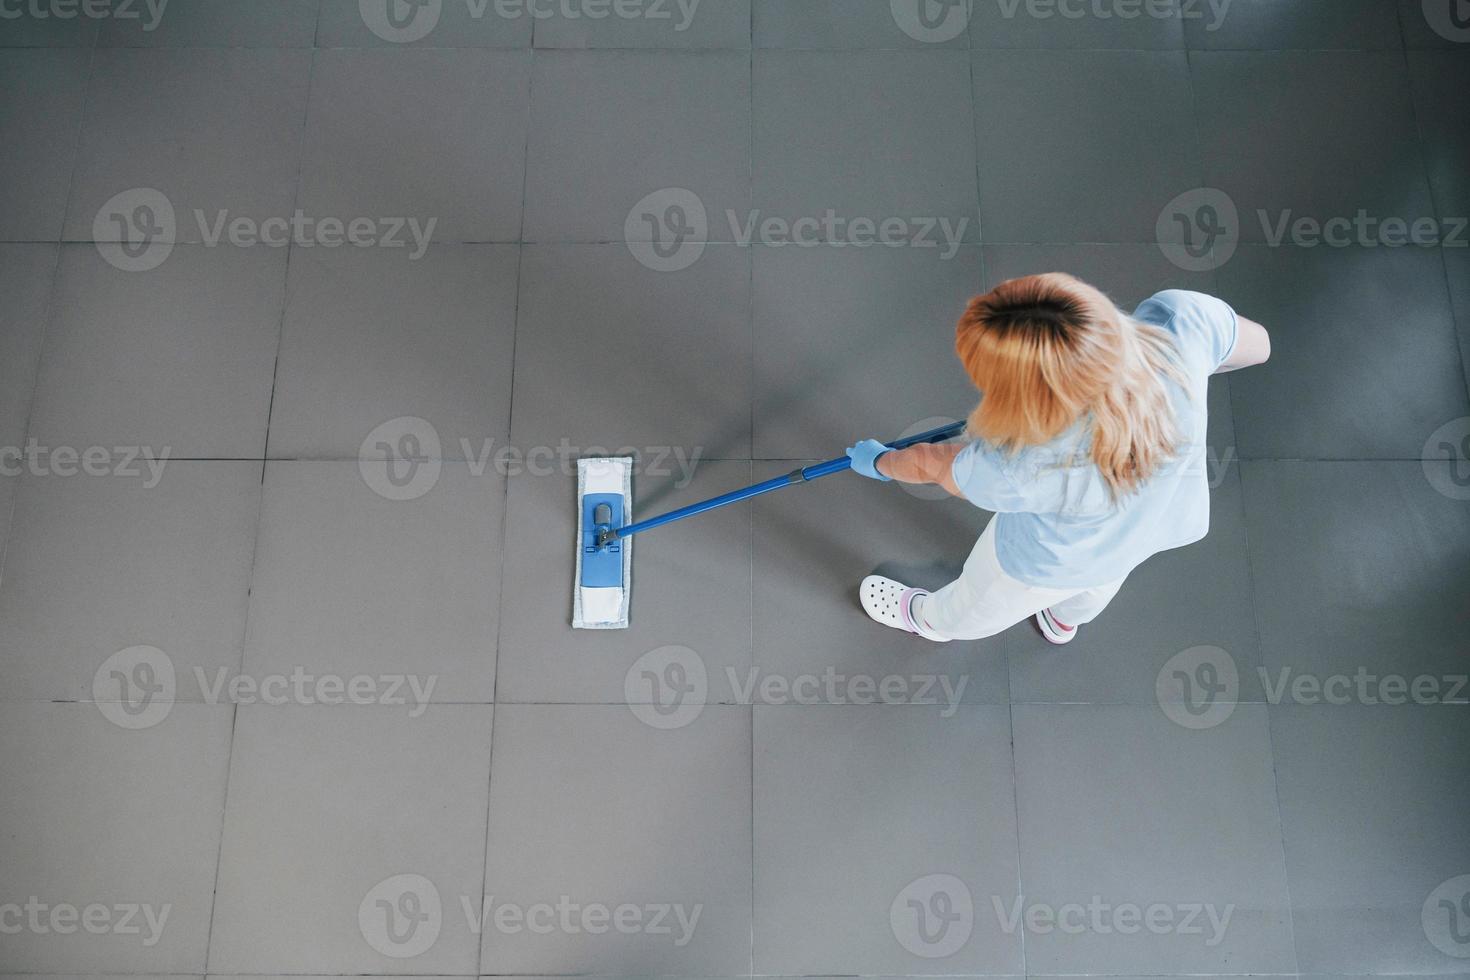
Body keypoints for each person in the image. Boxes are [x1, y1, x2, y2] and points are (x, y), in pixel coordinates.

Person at [846, 273, 1270, 644]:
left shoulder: (1024, 462)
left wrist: (880, 462)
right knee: (1104, 575)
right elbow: (1259, 347)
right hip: (1161, 520)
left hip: (1051, 561)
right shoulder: (1180, 320)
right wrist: (1183, 371)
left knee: (978, 602)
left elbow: (931, 464)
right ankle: (1062, 621)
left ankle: (928, 619)